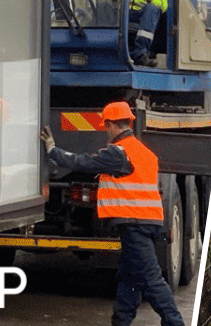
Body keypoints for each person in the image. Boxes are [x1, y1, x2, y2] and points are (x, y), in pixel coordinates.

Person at [40, 101, 185, 326]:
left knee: (151, 278)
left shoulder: (118, 153)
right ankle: (121, 322)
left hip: (134, 221)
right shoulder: (143, 152)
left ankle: (175, 322)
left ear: (110, 124)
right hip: (146, 220)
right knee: (129, 277)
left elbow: (82, 162)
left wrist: (53, 150)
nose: (106, 131)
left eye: (105, 126)